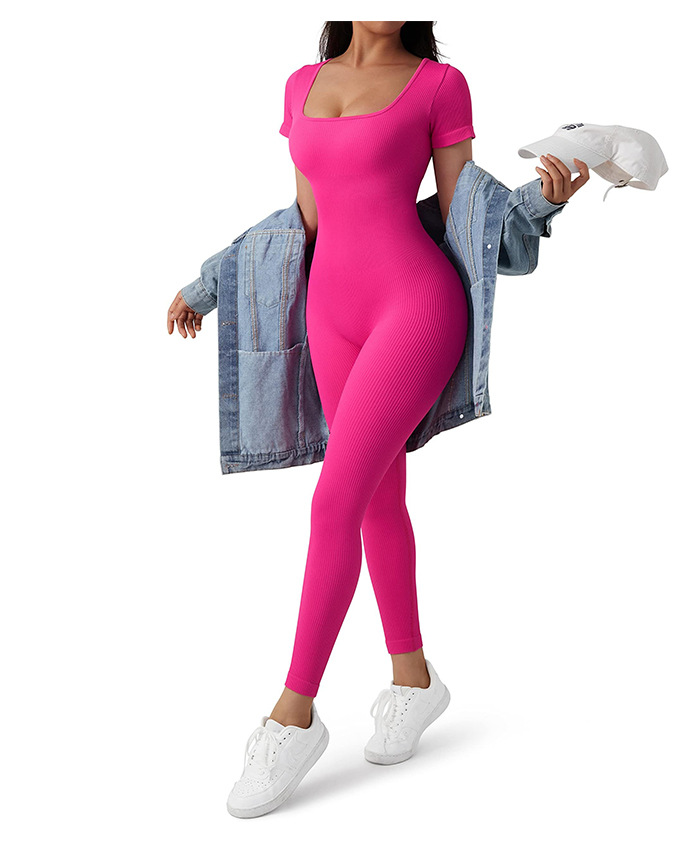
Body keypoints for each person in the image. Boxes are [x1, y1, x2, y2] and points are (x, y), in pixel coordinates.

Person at [166, 20, 589, 818]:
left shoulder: (439, 85)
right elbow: (302, 222)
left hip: (415, 306)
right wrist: (211, 281)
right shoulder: (300, 84)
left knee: (334, 500)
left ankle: (293, 715)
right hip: (330, 314)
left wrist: (543, 202)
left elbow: (467, 211)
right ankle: (414, 679)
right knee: (375, 503)